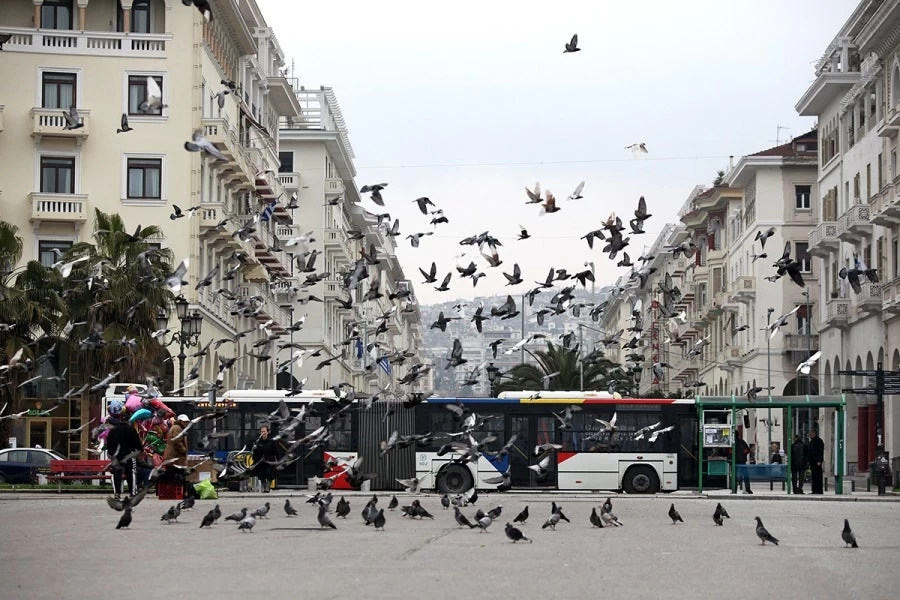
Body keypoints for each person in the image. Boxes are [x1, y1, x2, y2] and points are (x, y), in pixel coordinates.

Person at [105, 401, 142, 500]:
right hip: (129, 455)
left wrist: (112, 453)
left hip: (116, 455)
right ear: (129, 419)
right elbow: (137, 444)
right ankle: (132, 492)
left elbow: (109, 443)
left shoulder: (113, 430)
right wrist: (139, 450)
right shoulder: (131, 429)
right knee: (131, 473)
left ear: (120, 419)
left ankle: (117, 493)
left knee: (117, 473)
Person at [251, 425, 280, 493]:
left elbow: (276, 451)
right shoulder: (258, 441)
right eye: (261, 431)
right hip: (260, 461)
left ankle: (267, 487)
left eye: (264, 431)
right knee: (261, 474)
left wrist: (278, 460)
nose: (263, 433)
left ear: (267, 432)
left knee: (269, 473)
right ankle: (265, 487)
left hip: (269, 460)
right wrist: (254, 449)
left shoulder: (271, 440)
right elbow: (255, 452)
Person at [733, 430, 752, 494]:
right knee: (746, 476)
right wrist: (743, 454)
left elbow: (729, 452)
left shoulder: (732, 442)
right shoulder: (742, 442)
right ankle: (748, 489)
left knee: (734, 476)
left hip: (734, 462)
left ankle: (734, 489)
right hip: (742, 462)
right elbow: (748, 450)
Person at [807, 428, 825, 494]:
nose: (810, 435)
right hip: (812, 461)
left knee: (818, 476)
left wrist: (819, 460)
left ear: (814, 433)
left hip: (817, 461)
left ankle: (819, 490)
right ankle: (814, 490)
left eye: (811, 434)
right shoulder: (812, 441)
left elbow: (820, 451)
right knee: (814, 476)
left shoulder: (819, 441)